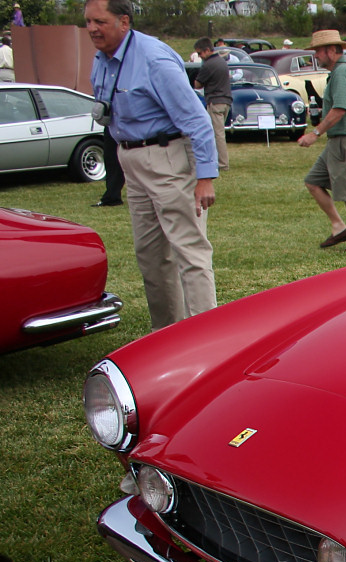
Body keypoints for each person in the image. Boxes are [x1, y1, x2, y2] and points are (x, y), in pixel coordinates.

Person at [85, 0, 218, 331]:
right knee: (150, 258)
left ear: (124, 21)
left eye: (99, 21)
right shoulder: (101, 60)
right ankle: (167, 336)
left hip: (167, 157)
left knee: (190, 252)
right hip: (130, 159)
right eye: (88, 22)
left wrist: (205, 177)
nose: (91, 29)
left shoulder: (154, 59)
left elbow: (197, 120)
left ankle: (207, 338)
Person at [298, 29, 346, 253]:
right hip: (336, 142)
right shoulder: (341, 71)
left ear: (330, 50)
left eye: (318, 51)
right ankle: (339, 227)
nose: (316, 56)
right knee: (313, 181)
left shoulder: (342, 73)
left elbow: (340, 109)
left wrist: (314, 134)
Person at [192, 38, 231, 171]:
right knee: (219, 133)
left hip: (215, 102)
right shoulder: (221, 61)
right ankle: (219, 161)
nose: (199, 56)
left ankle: (222, 164)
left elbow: (197, 84)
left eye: (200, 53)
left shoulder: (208, 65)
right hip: (226, 101)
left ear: (207, 50)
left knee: (217, 134)